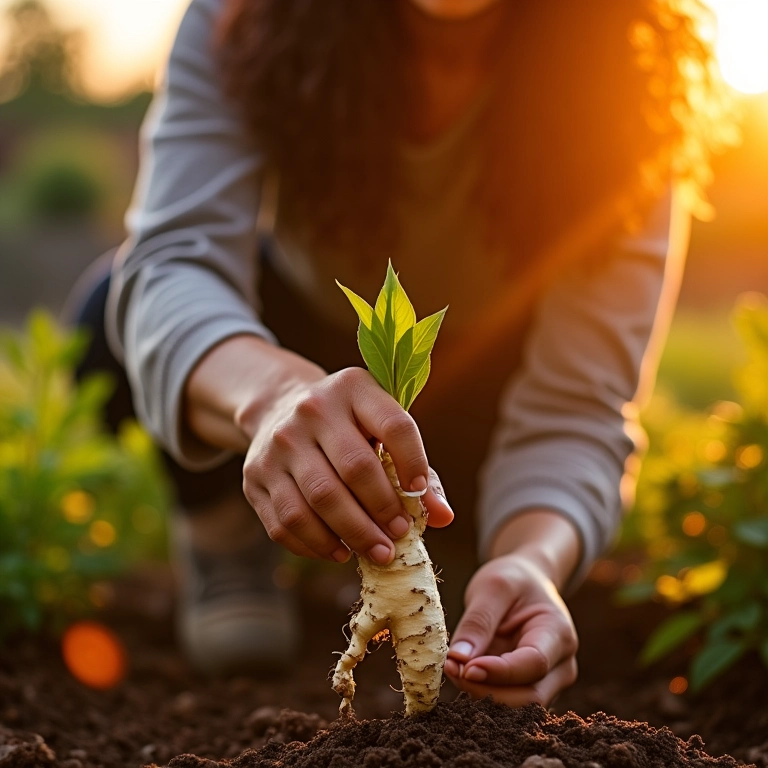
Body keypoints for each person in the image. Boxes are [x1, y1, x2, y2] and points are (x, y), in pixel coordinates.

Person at [81, 0, 728, 707]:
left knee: (487, 525)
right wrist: (272, 397)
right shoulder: (241, 16)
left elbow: (578, 403)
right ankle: (223, 530)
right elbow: (173, 262)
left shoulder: (630, 81)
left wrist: (529, 559)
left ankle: (453, 553)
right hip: (293, 339)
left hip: (478, 393)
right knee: (109, 307)